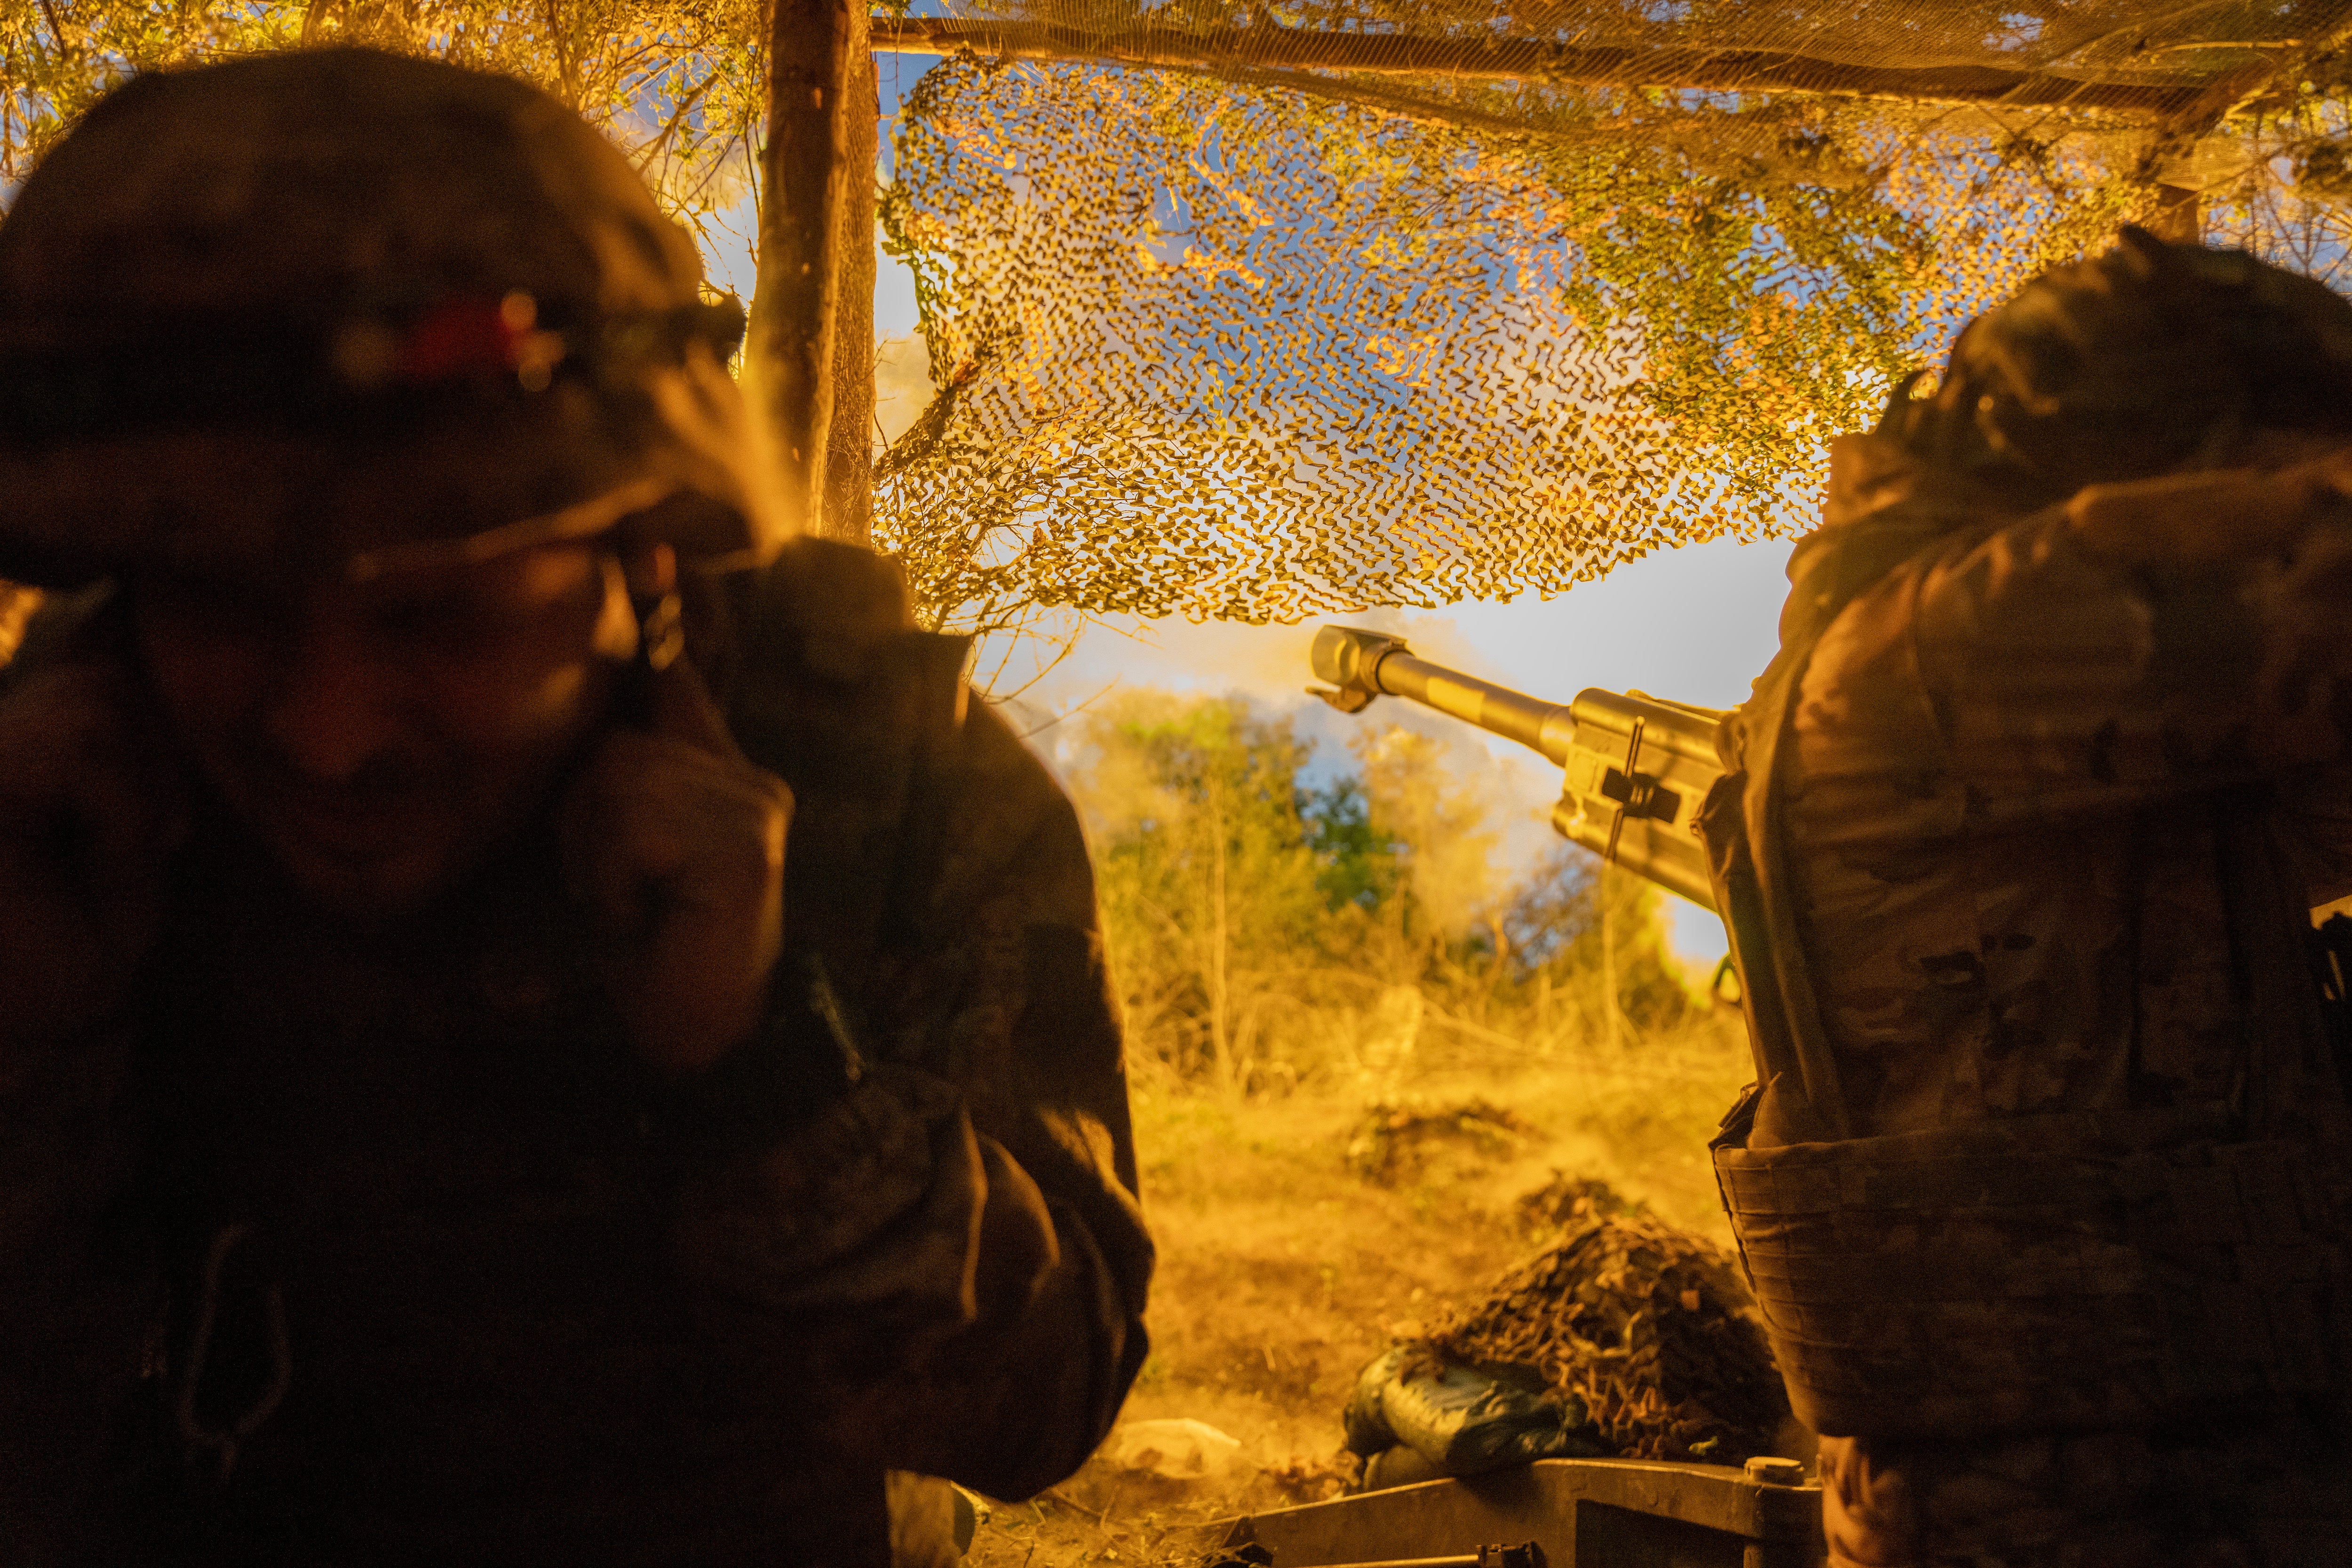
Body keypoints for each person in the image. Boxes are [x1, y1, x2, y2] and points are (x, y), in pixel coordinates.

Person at [0, 48, 1151, 1567]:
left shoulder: (871, 776)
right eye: (227, 608)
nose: (332, 736)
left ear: (644, 564)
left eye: (446, 614)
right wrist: (36, 1048)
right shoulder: (57, 806)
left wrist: (763, 1066)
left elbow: (1041, 1402)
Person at [1704, 229, 2352, 1565]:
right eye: (2279, 469)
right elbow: (2308, 590)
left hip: (2195, 1460)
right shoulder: (1952, 635)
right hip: (2066, 1507)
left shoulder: (2108, 711)